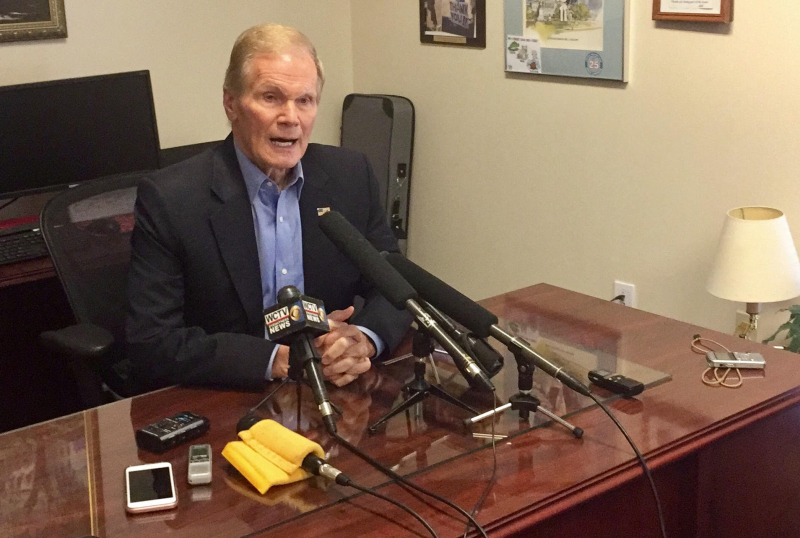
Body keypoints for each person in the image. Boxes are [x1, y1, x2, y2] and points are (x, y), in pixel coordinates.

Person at [126, 23, 412, 392]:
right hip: (233, 391)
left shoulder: (351, 175)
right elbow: (152, 343)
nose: (291, 118)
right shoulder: (171, 199)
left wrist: (363, 340)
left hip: (335, 385)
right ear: (231, 103)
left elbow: (395, 286)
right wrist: (280, 360)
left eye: (305, 100)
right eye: (271, 97)